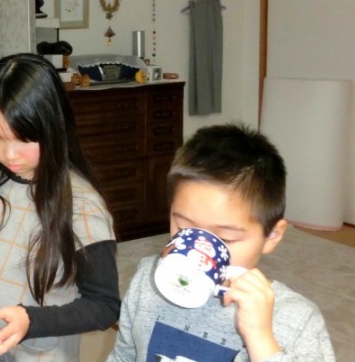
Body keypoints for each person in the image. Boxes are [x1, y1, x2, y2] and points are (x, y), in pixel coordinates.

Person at [0, 53, 120, 361]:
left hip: (38, 353)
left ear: (53, 129)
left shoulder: (82, 205)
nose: (9, 154)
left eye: (23, 140)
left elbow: (104, 304)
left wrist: (32, 320)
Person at [108, 124, 335, 361]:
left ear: (271, 236)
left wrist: (261, 339)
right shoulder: (148, 279)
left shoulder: (297, 321)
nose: (199, 253)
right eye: (185, 229)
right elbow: (123, 356)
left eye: (225, 239)